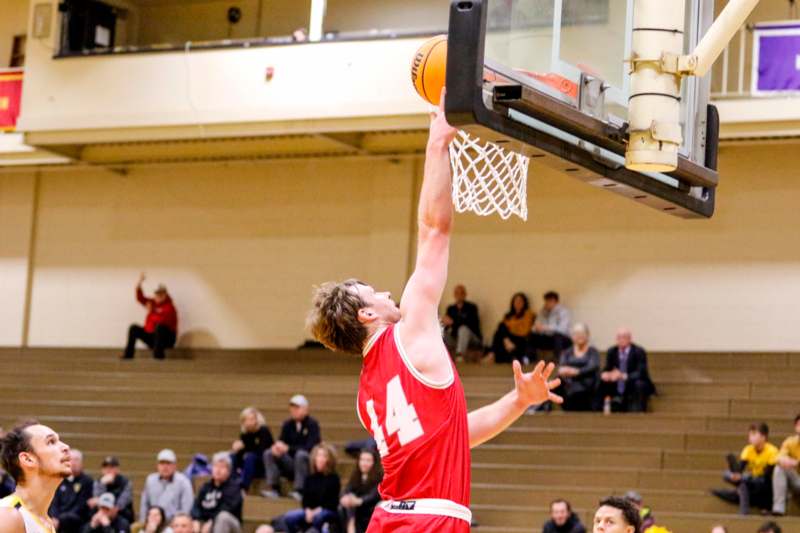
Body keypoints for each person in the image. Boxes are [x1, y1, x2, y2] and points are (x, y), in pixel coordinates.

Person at [307, 89, 562, 532]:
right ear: (366, 316)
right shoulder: (409, 332)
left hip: (391, 518)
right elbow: (434, 231)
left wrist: (518, 402)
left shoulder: (367, 396)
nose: (387, 293)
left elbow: (456, 435)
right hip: (429, 521)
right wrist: (437, 141)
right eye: (374, 293)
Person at [0, 422, 73, 533]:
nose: (65, 447)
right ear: (28, 459)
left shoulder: (47, 523)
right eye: (51, 442)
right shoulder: (8, 516)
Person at [261, 396, 321, 501]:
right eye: (292, 408)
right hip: (289, 462)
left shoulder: (312, 424)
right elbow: (281, 441)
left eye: (297, 408)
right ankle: (273, 488)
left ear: (305, 409)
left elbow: (310, 447)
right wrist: (276, 448)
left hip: (306, 463)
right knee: (268, 453)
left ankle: (299, 490)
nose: (294, 411)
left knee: (301, 454)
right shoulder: (287, 424)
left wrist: (288, 449)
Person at [712, 423, 779, 515]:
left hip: (765, 485)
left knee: (746, 481)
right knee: (728, 475)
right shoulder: (748, 449)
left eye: (754, 434)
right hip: (750, 482)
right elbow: (740, 469)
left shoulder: (772, 451)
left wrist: (742, 477)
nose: (750, 437)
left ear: (763, 437)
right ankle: (743, 510)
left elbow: (767, 475)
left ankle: (744, 511)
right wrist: (735, 472)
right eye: (750, 434)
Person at [280, 444, 340, 533]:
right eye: (318, 455)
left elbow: (332, 502)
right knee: (289, 517)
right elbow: (305, 500)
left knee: (319, 518)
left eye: (324, 456)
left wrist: (316, 511)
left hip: (326, 511)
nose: (320, 459)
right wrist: (308, 511)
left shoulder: (334, 478)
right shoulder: (309, 478)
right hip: (309, 511)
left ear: (329, 460)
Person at [122, 273, 178, 360]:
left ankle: (158, 356)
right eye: (157, 294)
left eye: (161, 294)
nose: (159, 296)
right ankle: (128, 355)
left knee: (160, 327)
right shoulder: (152, 303)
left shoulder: (170, 307)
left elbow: (162, 321)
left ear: (165, 294)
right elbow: (140, 298)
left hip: (167, 340)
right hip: (153, 337)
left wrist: (151, 311)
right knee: (133, 328)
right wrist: (140, 282)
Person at [598, 328, 655, 413]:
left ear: (630, 339)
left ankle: (637, 412)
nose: (621, 340)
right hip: (616, 383)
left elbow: (641, 372)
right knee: (601, 381)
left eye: (624, 337)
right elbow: (607, 368)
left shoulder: (638, 351)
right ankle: (601, 410)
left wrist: (623, 376)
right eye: (619, 337)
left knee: (639, 384)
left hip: (632, 382)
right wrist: (606, 374)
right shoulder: (612, 351)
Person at [190, 453, 242, 533]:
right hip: (207, 523)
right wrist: (196, 519)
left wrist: (212, 520)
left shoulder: (234, 488)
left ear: (229, 471)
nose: (218, 470)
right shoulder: (205, 487)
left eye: (222, 467)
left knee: (222, 517)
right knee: (185, 521)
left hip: (229, 525)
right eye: (216, 466)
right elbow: (196, 505)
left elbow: (226, 509)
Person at [139, 450, 194, 523]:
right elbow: (144, 505)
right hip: (153, 522)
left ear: (175, 466)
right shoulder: (150, 480)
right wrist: (143, 524)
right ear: (157, 466)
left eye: (168, 463)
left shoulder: (184, 482)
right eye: (162, 463)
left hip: (174, 524)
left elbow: (186, 509)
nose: (165, 467)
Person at [557, 323, 600, 412]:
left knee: (579, 389)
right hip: (569, 382)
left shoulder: (593, 351)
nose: (579, 336)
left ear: (587, 335)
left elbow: (593, 366)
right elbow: (562, 368)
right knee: (555, 383)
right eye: (576, 334)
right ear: (572, 336)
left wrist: (577, 371)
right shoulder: (566, 352)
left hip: (587, 382)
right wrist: (566, 371)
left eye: (582, 333)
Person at [339, 449, 382, 533]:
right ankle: (350, 527)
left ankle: (351, 528)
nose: (364, 463)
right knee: (344, 506)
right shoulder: (356, 475)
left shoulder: (379, 477)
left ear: (374, 462)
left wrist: (359, 501)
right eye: (362, 460)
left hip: (370, 508)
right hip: (356, 508)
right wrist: (344, 497)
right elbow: (347, 489)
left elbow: (374, 496)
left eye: (368, 460)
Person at [231, 407, 273, 492]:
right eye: (246, 420)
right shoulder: (244, 434)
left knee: (250, 457)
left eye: (251, 419)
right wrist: (238, 450)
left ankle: (244, 487)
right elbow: (241, 456)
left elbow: (262, 452)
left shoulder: (264, 431)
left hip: (263, 465)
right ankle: (232, 482)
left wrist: (245, 449)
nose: (249, 422)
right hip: (249, 464)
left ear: (257, 420)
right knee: (232, 456)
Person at [50, 449, 94, 533]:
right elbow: (54, 500)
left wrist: (60, 519)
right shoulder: (59, 479)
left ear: (81, 463)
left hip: (77, 518)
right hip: (58, 518)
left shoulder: (87, 481)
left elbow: (81, 505)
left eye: (76, 460)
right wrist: (54, 516)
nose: (73, 463)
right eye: (71, 460)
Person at [485, 292, 535, 364]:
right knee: (500, 329)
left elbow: (525, 330)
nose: (518, 303)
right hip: (509, 340)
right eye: (516, 301)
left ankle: (492, 353)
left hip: (521, 338)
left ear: (524, 303)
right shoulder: (509, 315)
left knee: (502, 330)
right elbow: (503, 327)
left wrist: (511, 326)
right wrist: (507, 339)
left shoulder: (528, 314)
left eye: (520, 301)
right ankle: (494, 353)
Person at [441, 284, 483, 361]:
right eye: (457, 293)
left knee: (463, 329)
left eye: (461, 293)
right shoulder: (451, 309)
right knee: (440, 330)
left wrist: (453, 322)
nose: (459, 295)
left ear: (465, 294)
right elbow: (447, 326)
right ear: (454, 295)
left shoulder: (472, 307)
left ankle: (459, 354)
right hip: (455, 338)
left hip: (472, 338)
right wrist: (444, 323)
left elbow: (471, 324)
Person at [528, 291, 572, 361]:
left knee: (557, 336)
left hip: (563, 339)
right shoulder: (542, 311)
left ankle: (558, 360)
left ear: (556, 302)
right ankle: (531, 359)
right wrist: (537, 328)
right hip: (548, 338)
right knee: (531, 335)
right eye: (546, 301)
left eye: (550, 301)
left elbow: (562, 329)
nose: (547, 303)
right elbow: (535, 326)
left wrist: (546, 328)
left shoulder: (563, 312)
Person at [90, 457, 134, 524]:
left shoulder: (126, 483)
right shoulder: (99, 482)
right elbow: (97, 501)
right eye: (105, 467)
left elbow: (120, 505)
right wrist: (103, 485)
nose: (108, 470)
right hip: (102, 513)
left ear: (118, 469)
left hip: (121, 515)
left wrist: (104, 507)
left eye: (111, 467)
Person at [772, 413, 800, 516]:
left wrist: (796, 462)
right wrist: (785, 460)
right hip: (797, 480)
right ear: (796, 427)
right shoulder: (790, 442)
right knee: (779, 467)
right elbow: (778, 457)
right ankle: (778, 509)